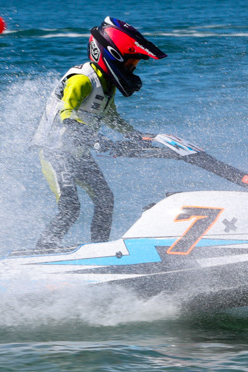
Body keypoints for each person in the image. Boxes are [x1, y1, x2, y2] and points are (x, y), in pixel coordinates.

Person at [31, 17, 166, 248]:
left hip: (79, 154)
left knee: (105, 199)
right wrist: (94, 139)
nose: (133, 69)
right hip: (56, 153)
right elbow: (66, 114)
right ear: (114, 57)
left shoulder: (107, 85)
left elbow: (111, 117)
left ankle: (98, 249)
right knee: (71, 208)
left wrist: (134, 135)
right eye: (131, 64)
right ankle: (43, 249)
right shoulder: (83, 79)